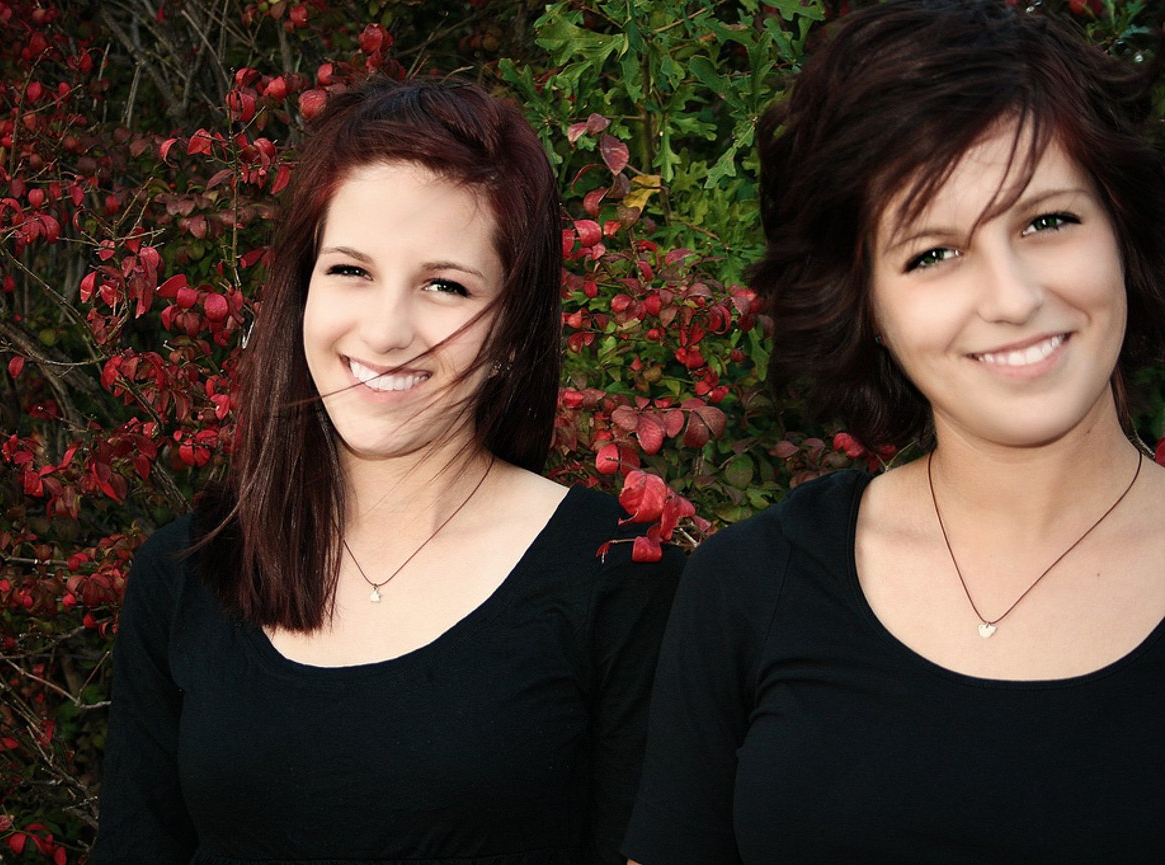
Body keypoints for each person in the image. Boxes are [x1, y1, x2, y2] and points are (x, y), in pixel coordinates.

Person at [623, 1, 1165, 862]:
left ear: (1123, 230)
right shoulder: (750, 586)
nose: (1014, 296)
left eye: (1048, 221)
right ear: (865, 305)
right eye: (933, 252)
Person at [92, 77, 682, 865]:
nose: (387, 328)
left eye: (446, 285)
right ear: (300, 289)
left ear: (511, 329)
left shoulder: (621, 576)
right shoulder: (188, 573)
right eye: (350, 270)